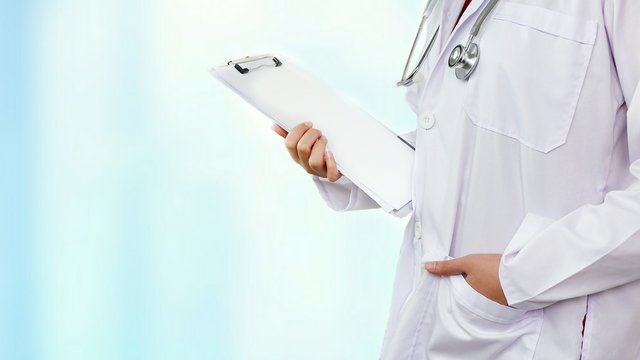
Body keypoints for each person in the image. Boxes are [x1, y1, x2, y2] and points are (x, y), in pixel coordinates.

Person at [272, 0, 640, 358]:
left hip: (549, 332)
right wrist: (343, 161)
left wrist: (516, 276)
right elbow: (449, 142)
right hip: (440, 318)